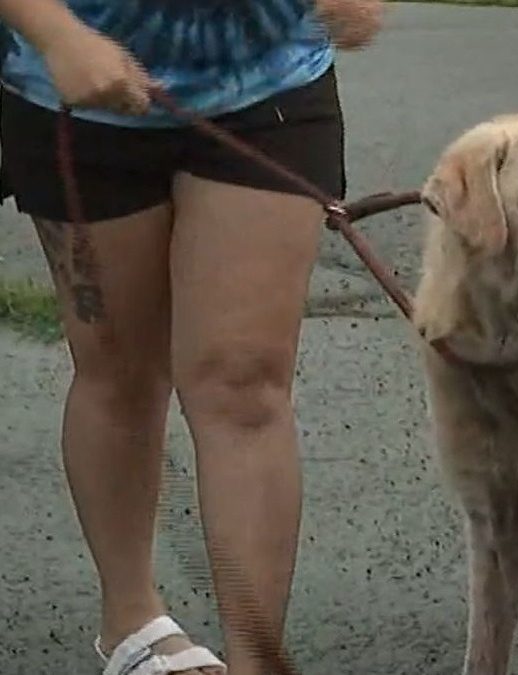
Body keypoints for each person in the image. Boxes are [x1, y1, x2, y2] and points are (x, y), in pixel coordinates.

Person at [0, 1, 383, 674]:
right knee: (122, 372)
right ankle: (133, 621)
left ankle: (257, 658)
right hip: (80, 85)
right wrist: (55, 34)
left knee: (246, 382)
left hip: (274, 83)